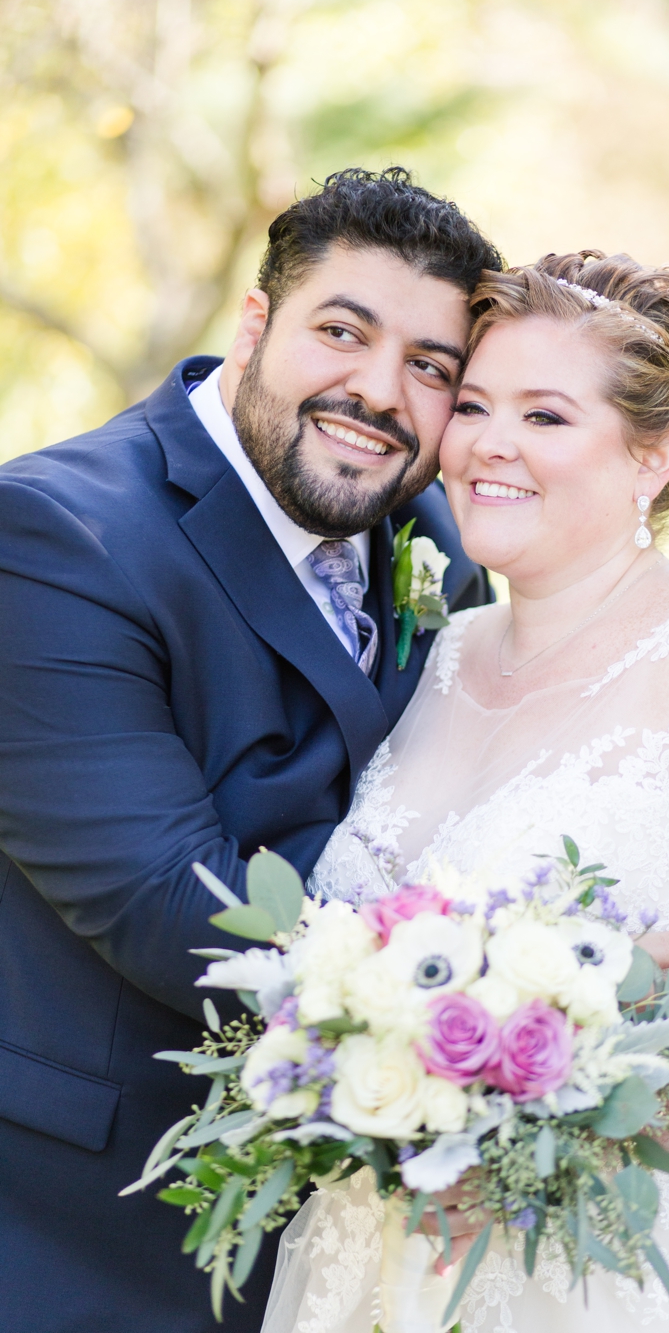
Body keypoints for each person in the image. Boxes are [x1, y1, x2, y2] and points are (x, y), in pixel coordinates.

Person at [260, 253, 669, 1332]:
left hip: (656, 1271)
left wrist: (546, 1135)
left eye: (546, 417)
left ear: (655, 452)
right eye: (470, 406)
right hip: (382, 1267)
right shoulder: (438, 655)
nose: (486, 445)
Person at [0, 169, 501, 1332]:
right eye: (343, 331)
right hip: (102, 1211)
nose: (379, 394)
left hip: (371, 1214)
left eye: (430, 366)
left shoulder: (433, 529)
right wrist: (518, 1004)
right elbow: (174, 906)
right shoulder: (52, 535)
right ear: (255, 322)